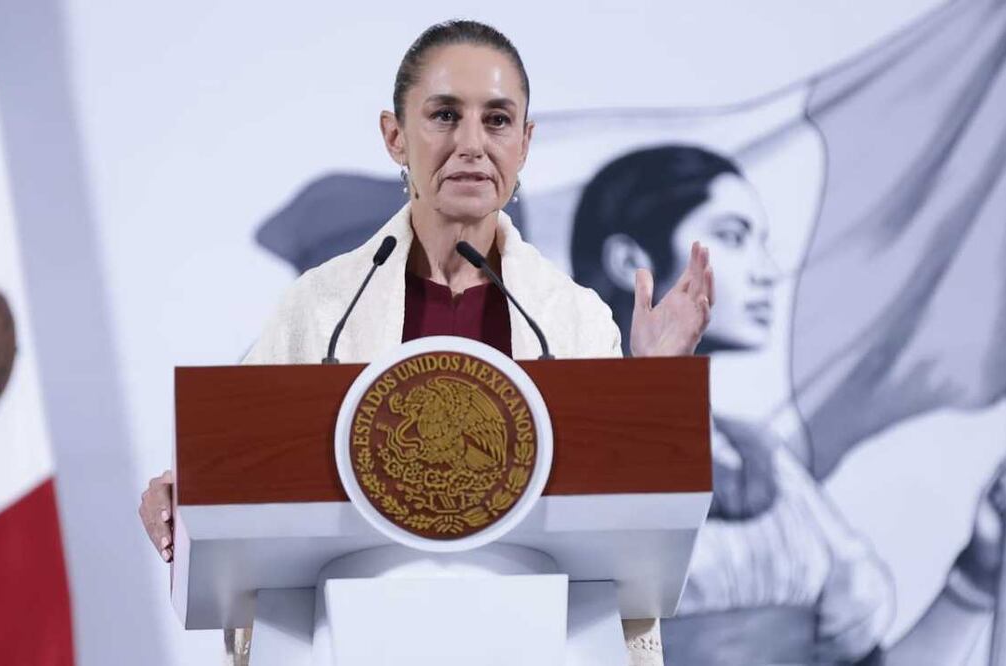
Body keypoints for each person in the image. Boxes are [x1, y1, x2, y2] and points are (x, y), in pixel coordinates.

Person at [138, 21, 716, 666]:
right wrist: (183, 490)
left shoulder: (569, 319)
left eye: (497, 121)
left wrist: (655, 384)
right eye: (445, 115)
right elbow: (242, 469)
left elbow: (624, 523)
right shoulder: (324, 307)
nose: (472, 144)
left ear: (525, 144)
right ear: (394, 136)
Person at [572, 144, 1006, 665]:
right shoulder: (561, 449)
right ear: (630, 262)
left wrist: (977, 574)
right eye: (733, 237)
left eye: (764, 242)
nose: (768, 270)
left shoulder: (766, 462)